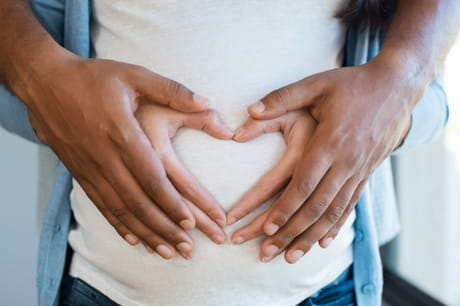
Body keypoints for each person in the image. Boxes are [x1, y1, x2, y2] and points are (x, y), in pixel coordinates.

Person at [0, 0, 459, 305]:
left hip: (325, 291)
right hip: (106, 291)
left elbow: (431, 105)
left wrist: (388, 117)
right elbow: (24, 88)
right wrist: (67, 105)